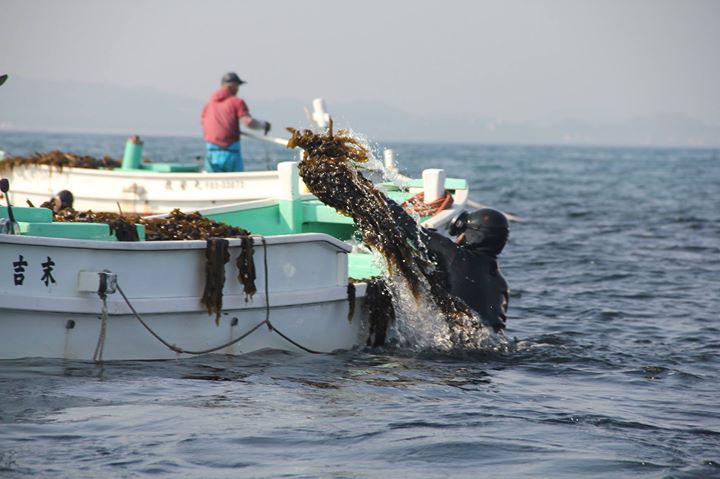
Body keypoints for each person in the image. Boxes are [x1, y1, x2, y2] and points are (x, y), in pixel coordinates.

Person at [387, 200, 510, 332]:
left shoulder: (455, 256)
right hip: (493, 344)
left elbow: (407, 226)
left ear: (471, 235)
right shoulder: (502, 285)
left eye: (460, 233)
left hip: (456, 346)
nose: (457, 238)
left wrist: (372, 192)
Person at [201, 72, 272, 172]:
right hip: (230, 154)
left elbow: (204, 124)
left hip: (211, 155)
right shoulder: (236, 102)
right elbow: (248, 123)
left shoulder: (208, 105)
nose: (238, 89)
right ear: (233, 86)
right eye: (238, 86)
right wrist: (264, 126)